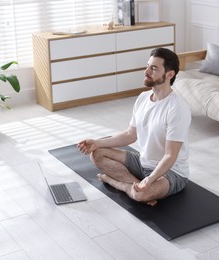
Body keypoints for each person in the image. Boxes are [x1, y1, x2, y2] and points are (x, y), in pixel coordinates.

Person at [77, 47, 191, 206]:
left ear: (170, 74)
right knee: (97, 154)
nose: (147, 71)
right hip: (143, 162)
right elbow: (130, 135)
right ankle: (136, 186)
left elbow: (170, 156)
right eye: (147, 66)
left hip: (171, 172)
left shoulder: (177, 108)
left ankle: (116, 182)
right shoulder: (143, 98)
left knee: (142, 195)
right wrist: (97, 142)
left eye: (154, 68)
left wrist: (150, 180)